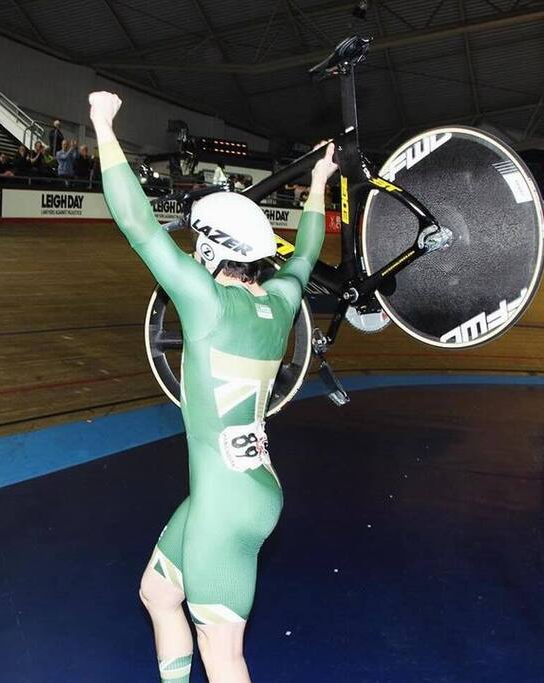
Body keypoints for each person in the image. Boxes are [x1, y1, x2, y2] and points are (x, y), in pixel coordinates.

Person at [88, 90, 337, 683]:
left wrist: (102, 125)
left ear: (209, 249)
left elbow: (138, 226)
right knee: (156, 592)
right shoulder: (280, 300)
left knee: (224, 659)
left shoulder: (207, 304)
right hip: (244, 491)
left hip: (224, 507)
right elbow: (305, 253)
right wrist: (320, 182)